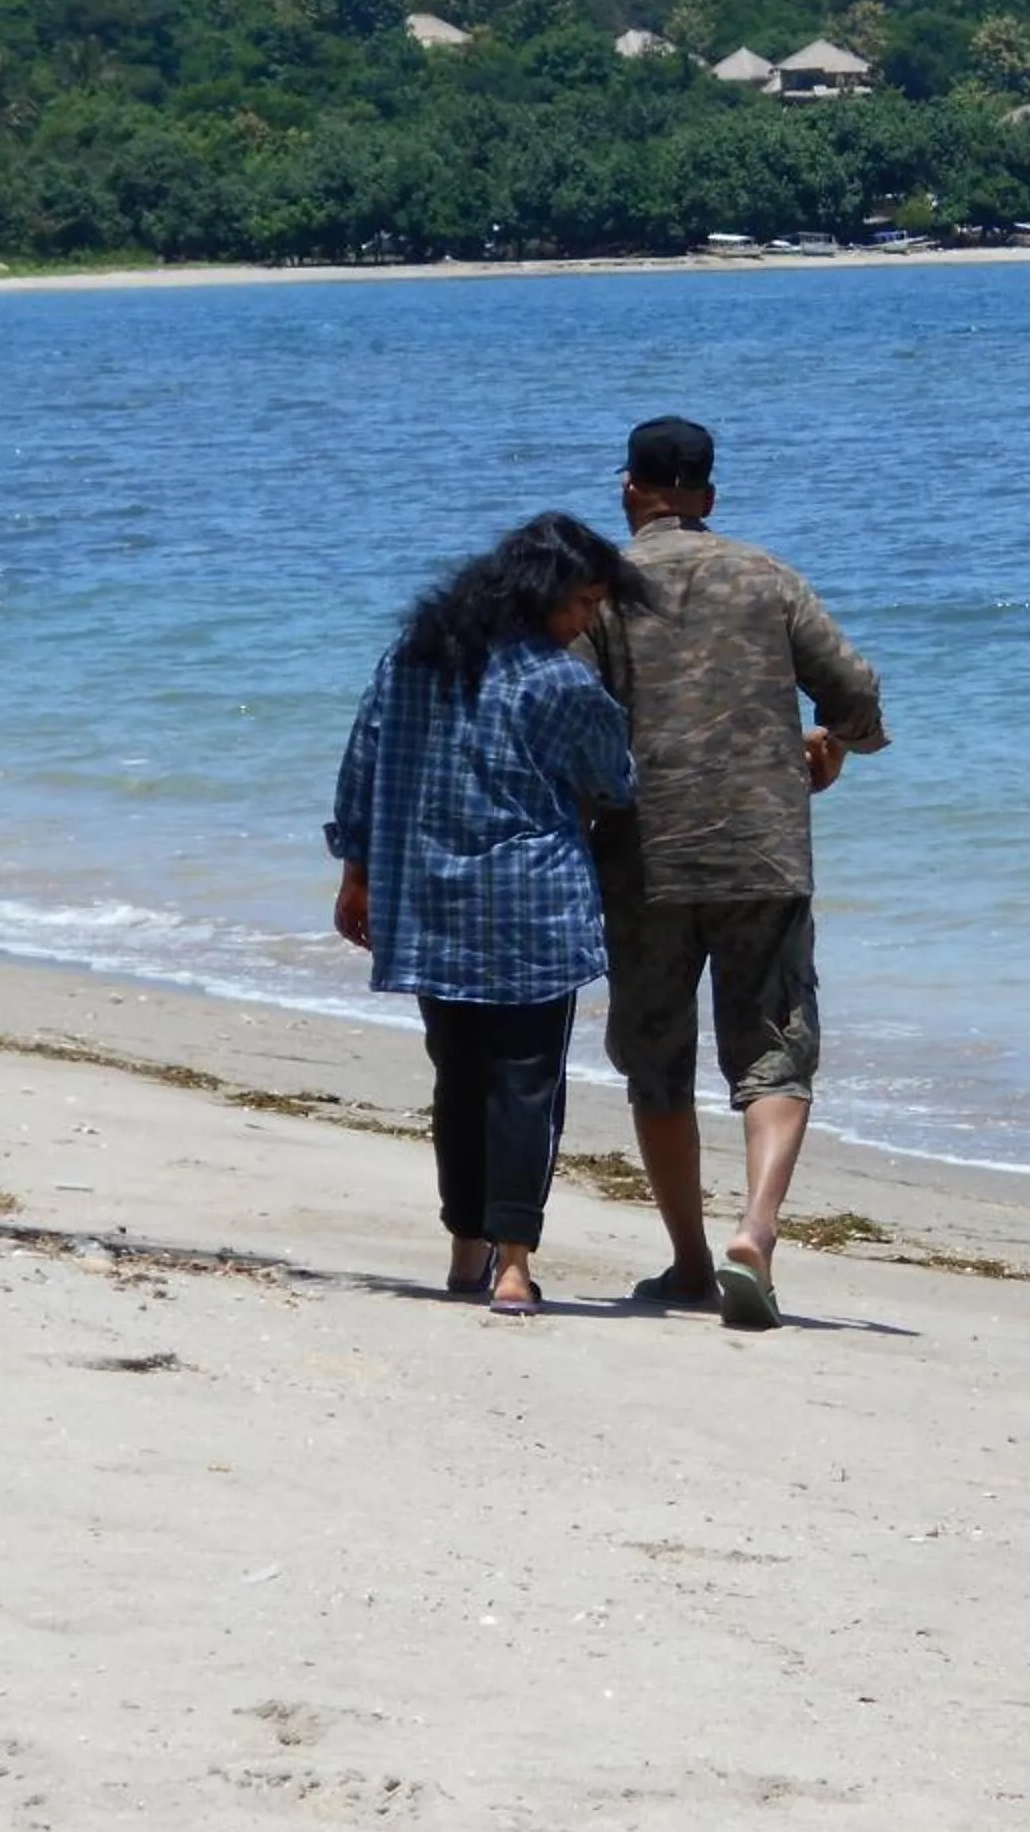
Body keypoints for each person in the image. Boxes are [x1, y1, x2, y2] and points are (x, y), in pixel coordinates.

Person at [588, 416, 887, 1330]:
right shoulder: (768, 577)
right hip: (763, 850)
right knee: (774, 1049)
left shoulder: (598, 594)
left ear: (630, 490)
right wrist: (832, 745)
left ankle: (686, 1262)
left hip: (646, 855)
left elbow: (567, 715)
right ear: (709, 497)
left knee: (656, 1061)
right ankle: (755, 1228)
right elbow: (857, 696)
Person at [327, 513, 635, 1317]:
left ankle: (466, 1247)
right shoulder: (559, 681)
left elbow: (362, 760)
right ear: (545, 597)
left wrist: (356, 873)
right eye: (584, 604)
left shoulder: (415, 658)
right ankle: (513, 1265)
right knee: (526, 1085)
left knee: (458, 1079)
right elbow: (616, 778)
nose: (588, 621)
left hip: (430, 902)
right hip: (532, 908)